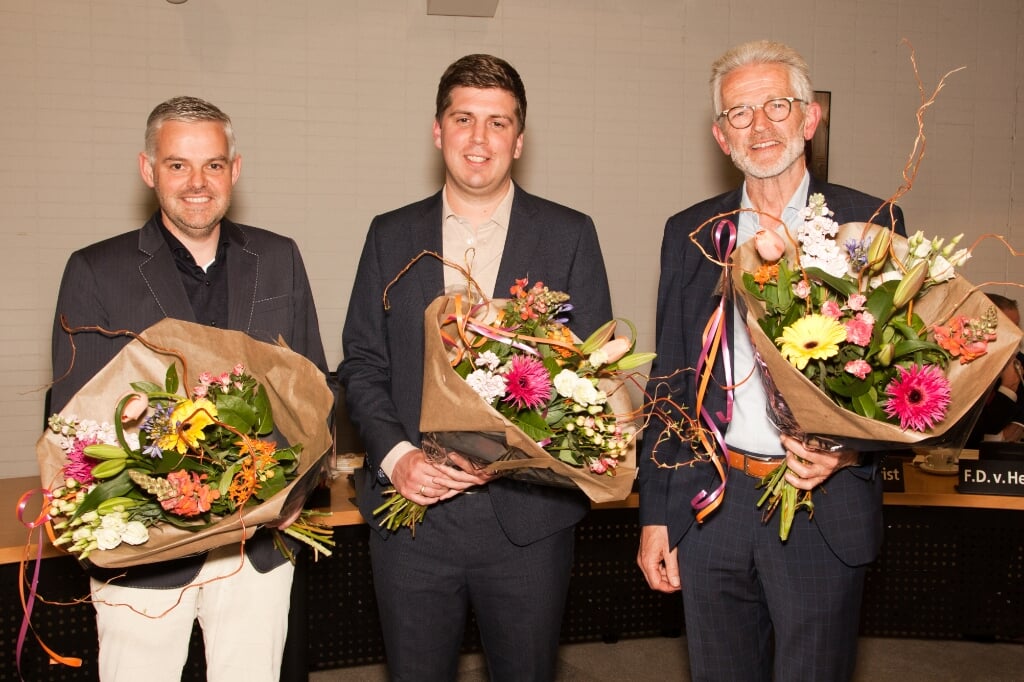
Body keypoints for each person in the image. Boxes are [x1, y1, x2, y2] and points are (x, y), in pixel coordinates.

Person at [636, 40, 906, 681]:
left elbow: (904, 378)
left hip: (822, 503)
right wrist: (655, 514)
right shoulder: (691, 232)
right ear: (720, 137)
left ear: (810, 119)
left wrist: (849, 449)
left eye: (777, 106)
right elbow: (669, 380)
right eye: (739, 114)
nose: (759, 126)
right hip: (712, 505)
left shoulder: (870, 224)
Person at [338, 54, 612, 681]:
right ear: (438, 130)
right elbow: (363, 362)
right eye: (464, 119)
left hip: (527, 522)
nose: (479, 139)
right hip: (413, 521)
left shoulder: (570, 235)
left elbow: (588, 375)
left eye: (498, 122)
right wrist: (397, 457)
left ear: (520, 138)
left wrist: (517, 456)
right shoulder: (389, 235)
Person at [49, 96, 329, 682]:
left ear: (236, 168)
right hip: (144, 556)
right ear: (149, 169)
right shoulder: (96, 270)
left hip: (258, 542)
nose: (198, 183)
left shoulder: (279, 257)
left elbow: (313, 391)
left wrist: (294, 495)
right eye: (178, 165)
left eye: (214, 165)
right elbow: (77, 427)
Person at [968, 294, 1024, 445]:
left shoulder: (1020, 363)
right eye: (1007, 328)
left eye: (1017, 327)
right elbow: (971, 434)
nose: (1016, 336)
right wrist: (1009, 387)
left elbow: (1018, 426)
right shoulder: (960, 367)